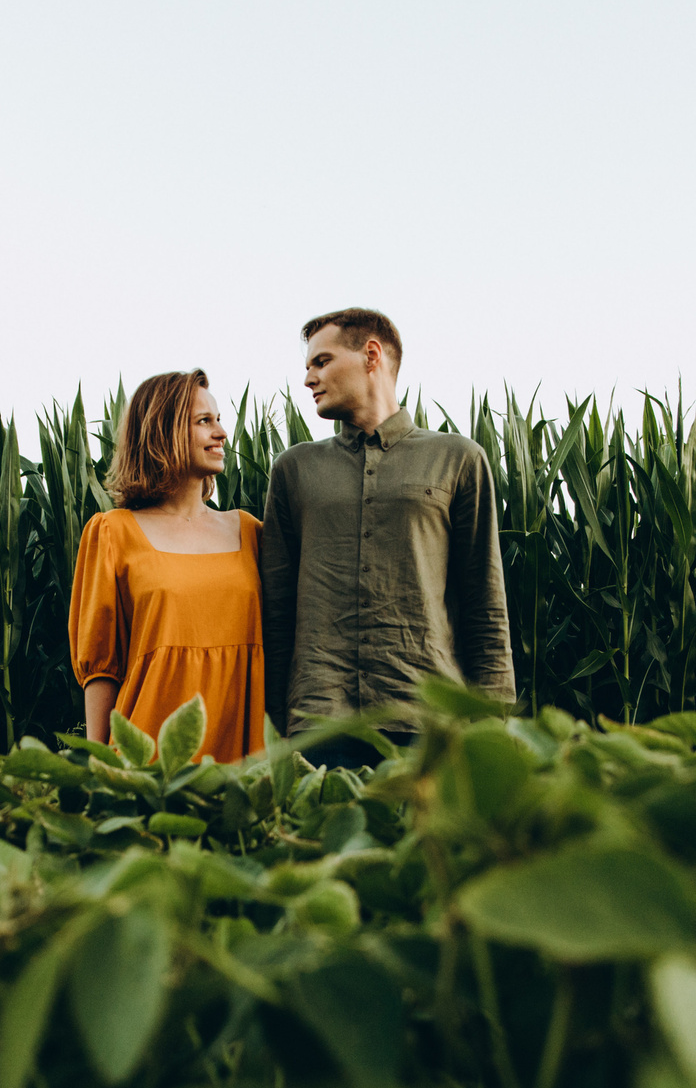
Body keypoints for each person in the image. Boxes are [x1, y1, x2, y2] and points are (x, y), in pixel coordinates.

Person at [259, 308, 514, 766]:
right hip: (319, 722)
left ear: (370, 355)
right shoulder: (293, 470)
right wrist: (277, 723)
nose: (308, 379)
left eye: (322, 362)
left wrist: (492, 722)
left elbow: (485, 603)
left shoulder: (457, 459)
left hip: (428, 718)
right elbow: (276, 610)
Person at [69, 369, 266, 764]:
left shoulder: (251, 532)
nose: (222, 433)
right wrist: (99, 765)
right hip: (146, 754)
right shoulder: (112, 532)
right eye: (203, 421)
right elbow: (101, 668)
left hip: (241, 754)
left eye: (219, 419)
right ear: (163, 431)